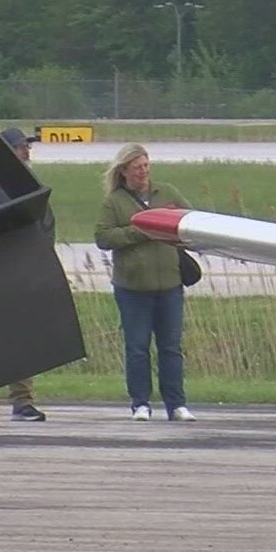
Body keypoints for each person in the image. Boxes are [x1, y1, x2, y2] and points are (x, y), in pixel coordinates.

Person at [94, 143, 197, 421]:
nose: (143, 172)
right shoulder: (114, 201)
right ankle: (140, 403)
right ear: (124, 171)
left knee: (171, 348)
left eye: (146, 166)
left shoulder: (168, 193)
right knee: (137, 348)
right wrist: (141, 231)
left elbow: (191, 222)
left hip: (170, 286)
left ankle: (176, 404)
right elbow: (103, 238)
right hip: (132, 289)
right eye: (137, 167)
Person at [0, 126, 50, 422]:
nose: (26, 151)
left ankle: (22, 401)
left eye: (26, 147)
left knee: (22, 339)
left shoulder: (31, 186)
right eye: (20, 147)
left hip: (23, 272)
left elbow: (45, 225)